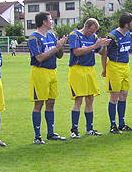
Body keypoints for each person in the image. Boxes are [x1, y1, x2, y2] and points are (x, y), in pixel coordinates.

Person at [27, 12, 67, 144]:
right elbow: (39, 57)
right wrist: (56, 47)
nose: (52, 22)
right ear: (44, 22)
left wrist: (60, 46)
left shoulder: (51, 35)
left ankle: (51, 133)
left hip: (52, 71)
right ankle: (37, 136)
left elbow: (59, 55)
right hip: (40, 72)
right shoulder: (34, 38)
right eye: (50, 20)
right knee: (39, 103)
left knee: (51, 102)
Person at [69, 18, 110, 139]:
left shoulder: (94, 37)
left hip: (90, 69)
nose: (92, 34)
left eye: (94, 32)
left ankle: (89, 128)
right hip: (78, 69)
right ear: (86, 26)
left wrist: (103, 46)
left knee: (90, 98)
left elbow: (101, 53)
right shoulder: (74, 35)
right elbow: (76, 52)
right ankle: (74, 129)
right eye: (91, 31)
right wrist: (94, 46)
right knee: (79, 99)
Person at [101, 12, 132, 134]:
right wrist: (104, 69)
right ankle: (113, 125)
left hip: (125, 66)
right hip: (114, 67)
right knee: (114, 96)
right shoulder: (113, 35)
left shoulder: (128, 34)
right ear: (126, 24)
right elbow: (103, 52)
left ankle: (122, 123)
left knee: (124, 94)